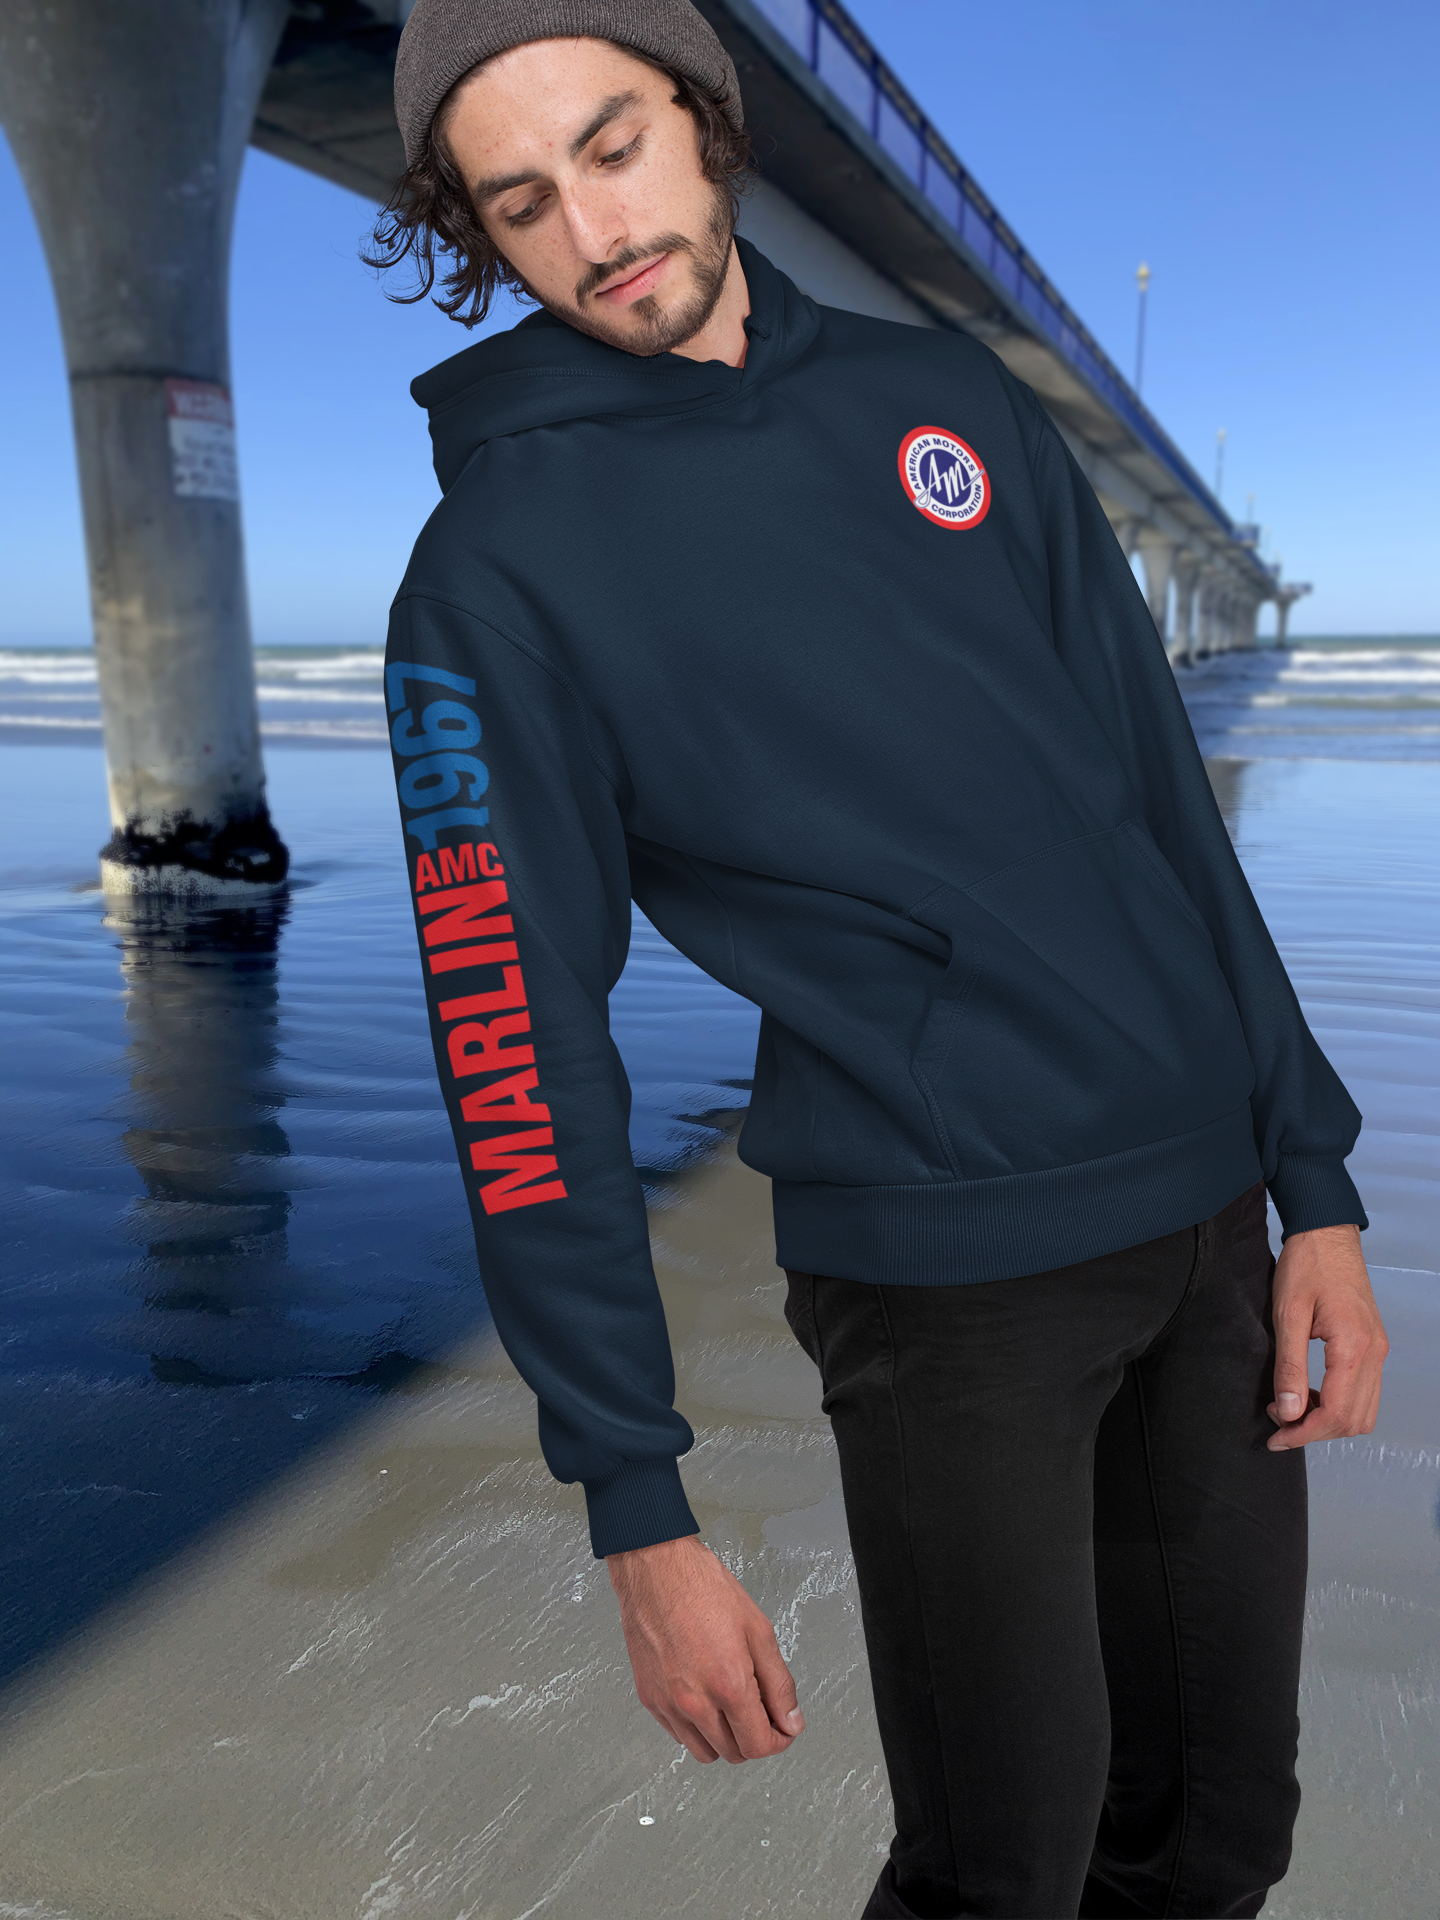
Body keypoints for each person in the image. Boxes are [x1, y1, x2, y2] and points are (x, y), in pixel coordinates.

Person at [370, 3, 1389, 1913]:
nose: (594, 229)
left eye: (614, 146)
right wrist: (637, 1505)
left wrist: (1308, 1182)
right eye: (521, 202)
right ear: (476, 237)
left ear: (706, 118)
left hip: (1205, 1231)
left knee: (1216, 1831)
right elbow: (518, 1048)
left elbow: (1163, 805)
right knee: (998, 1871)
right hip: (943, 1287)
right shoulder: (495, 572)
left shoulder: (958, 403)